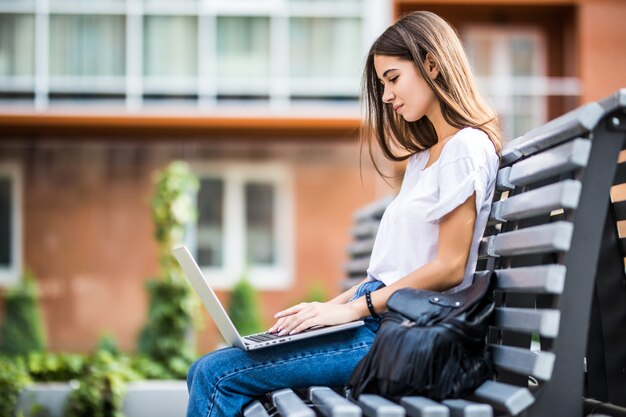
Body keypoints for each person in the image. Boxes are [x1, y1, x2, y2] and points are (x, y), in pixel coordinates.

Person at [185, 10, 502, 417]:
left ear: (432, 64)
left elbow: (451, 266)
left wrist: (352, 310)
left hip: (399, 334)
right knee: (203, 369)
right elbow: (388, 274)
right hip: (379, 320)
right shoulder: (424, 160)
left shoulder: (466, 148)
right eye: (383, 84)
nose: (386, 96)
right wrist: (325, 308)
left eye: (392, 78)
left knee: (216, 375)